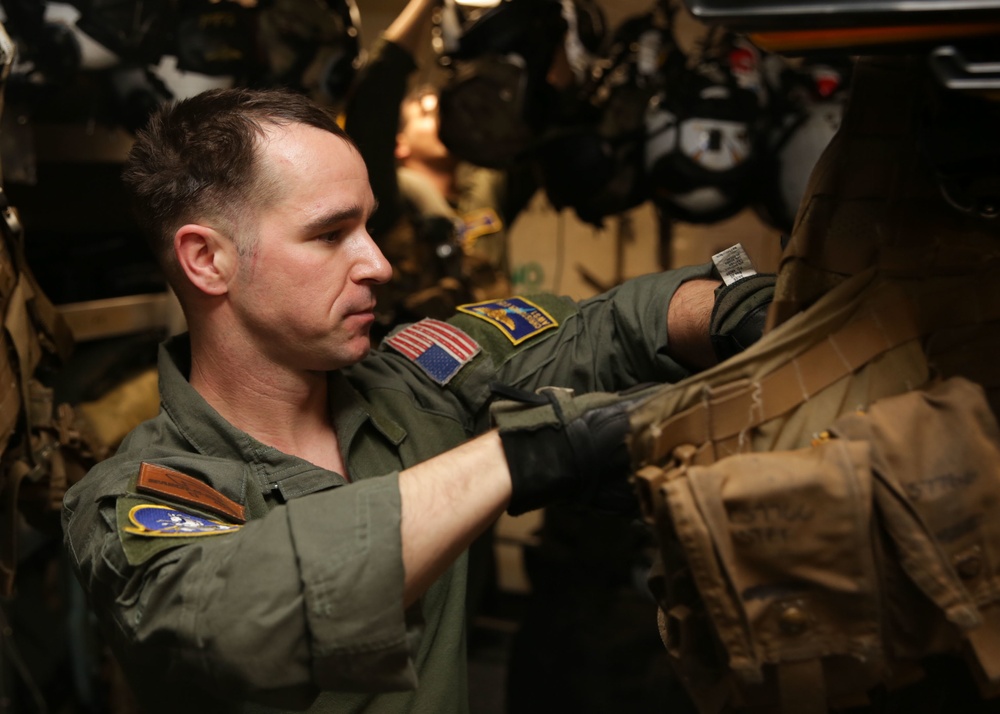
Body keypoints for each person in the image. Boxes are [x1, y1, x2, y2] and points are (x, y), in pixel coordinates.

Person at [58, 85, 774, 713]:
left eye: (368, 225)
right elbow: (246, 619)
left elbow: (602, 327)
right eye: (331, 234)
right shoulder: (134, 503)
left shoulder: (411, 384)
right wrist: (530, 454)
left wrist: (734, 310)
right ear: (207, 259)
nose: (379, 263)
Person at [343, 0, 541, 336]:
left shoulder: (487, 188)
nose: (441, 117)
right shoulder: (386, 201)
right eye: (425, 113)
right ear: (399, 143)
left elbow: (538, 128)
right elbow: (375, 98)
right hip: (420, 369)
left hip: (501, 354)